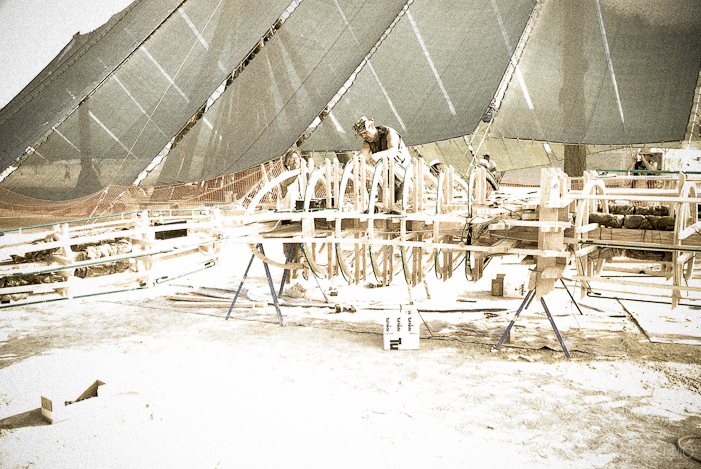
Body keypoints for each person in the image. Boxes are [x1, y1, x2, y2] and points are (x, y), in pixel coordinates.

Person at [353, 116, 410, 205]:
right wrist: (356, 161)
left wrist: (378, 155)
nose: (364, 136)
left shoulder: (390, 133)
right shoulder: (367, 142)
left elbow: (393, 150)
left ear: (372, 127)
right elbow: (363, 154)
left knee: (400, 204)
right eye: (361, 135)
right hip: (385, 174)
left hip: (403, 172)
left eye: (365, 133)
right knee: (383, 203)